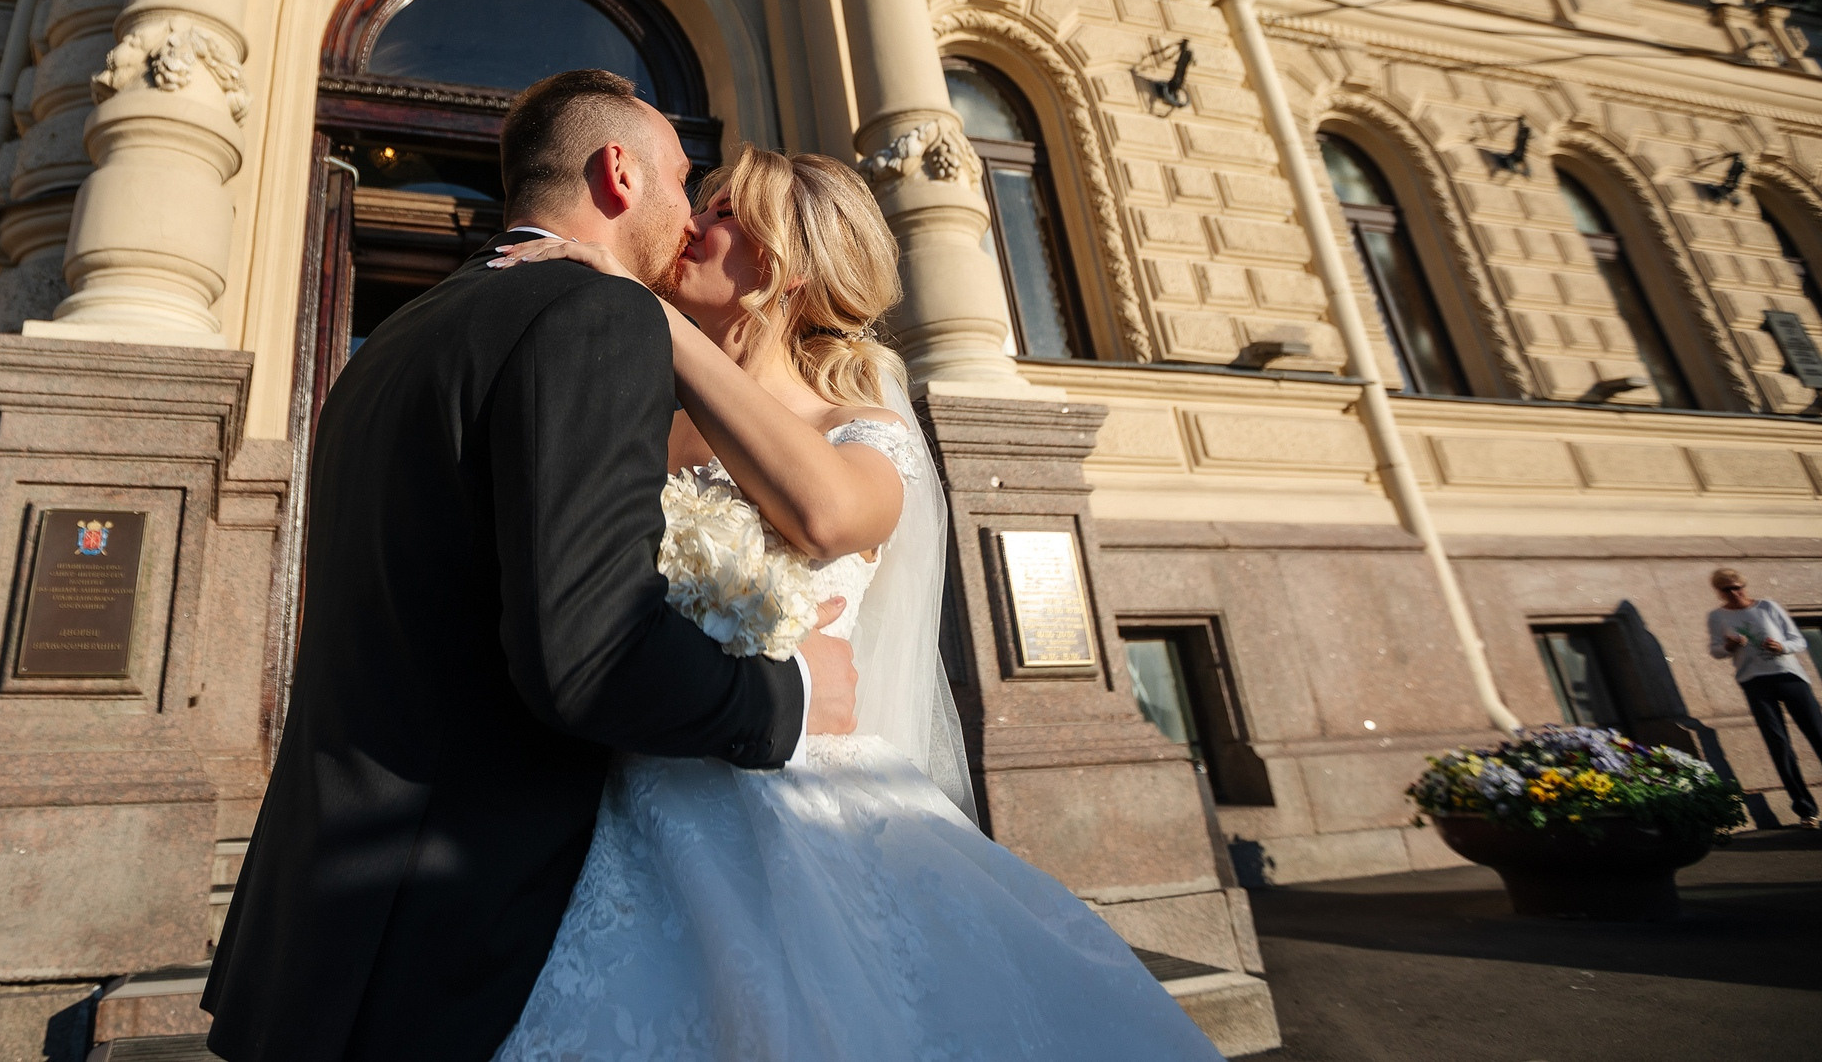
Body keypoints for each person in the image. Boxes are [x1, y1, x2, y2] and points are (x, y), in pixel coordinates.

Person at [486, 144, 1222, 1060]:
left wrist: (651, 314)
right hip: (618, 790)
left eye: (722, 214)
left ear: (785, 267)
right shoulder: (642, 420)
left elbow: (827, 516)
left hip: (791, 806)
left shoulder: (860, 431)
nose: (691, 224)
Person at [202, 70, 860, 1062]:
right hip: (452, 933)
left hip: (314, 933)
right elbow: (590, 657)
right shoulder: (598, 315)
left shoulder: (389, 341)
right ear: (619, 173)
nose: (692, 217)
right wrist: (791, 697)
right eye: (685, 183)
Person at [1707, 566, 1822, 828]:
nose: (1735, 593)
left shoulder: (1767, 607)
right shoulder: (1717, 616)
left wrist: (1781, 646)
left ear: (1744, 586)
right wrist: (1729, 646)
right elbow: (1716, 650)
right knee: (1779, 746)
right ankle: (1806, 811)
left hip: (1790, 678)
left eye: (1738, 588)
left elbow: (1798, 641)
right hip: (1754, 682)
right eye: (1727, 590)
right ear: (1719, 592)